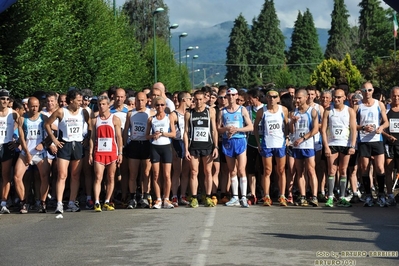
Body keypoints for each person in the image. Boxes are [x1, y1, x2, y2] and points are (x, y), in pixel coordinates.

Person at [45, 89, 91, 214]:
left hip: (78, 144)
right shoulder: (61, 111)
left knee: (75, 175)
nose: (81, 103)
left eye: (82, 100)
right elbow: (47, 124)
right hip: (64, 144)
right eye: (79, 100)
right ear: (71, 101)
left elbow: (90, 126)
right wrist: (54, 140)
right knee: (62, 175)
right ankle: (59, 204)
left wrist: (87, 139)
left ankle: (71, 202)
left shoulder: (84, 112)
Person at [354, 82, 389, 207]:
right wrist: (363, 127)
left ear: (373, 90)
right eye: (365, 90)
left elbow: (386, 122)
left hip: (377, 139)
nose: (367, 92)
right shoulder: (357, 106)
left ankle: (381, 194)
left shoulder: (379, 104)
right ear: (361, 91)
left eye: (369, 90)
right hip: (364, 140)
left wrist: (381, 128)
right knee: (364, 168)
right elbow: (353, 125)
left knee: (380, 167)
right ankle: (368, 195)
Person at [14, 97, 51, 213]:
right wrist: (27, 152)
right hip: (26, 151)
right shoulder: (22, 119)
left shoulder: (44, 118)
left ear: (39, 105)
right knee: (17, 176)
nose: (34, 109)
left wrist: (44, 144)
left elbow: (52, 134)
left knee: (45, 176)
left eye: (36, 106)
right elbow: (21, 138)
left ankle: (42, 202)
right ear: (28, 106)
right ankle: (23, 202)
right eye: (32, 106)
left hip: (40, 152)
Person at [217, 88, 253, 207]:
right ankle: (235, 197)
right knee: (232, 170)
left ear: (236, 96)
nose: (231, 97)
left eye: (233, 95)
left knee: (242, 169)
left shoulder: (242, 109)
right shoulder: (222, 111)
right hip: (228, 142)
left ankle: (243, 197)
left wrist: (237, 129)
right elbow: (218, 128)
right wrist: (227, 129)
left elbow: (250, 127)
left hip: (240, 141)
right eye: (229, 95)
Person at [321, 89, 357, 207]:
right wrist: (326, 146)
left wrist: (352, 145)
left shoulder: (350, 111)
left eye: (339, 97)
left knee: (343, 170)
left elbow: (353, 129)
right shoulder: (328, 111)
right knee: (331, 170)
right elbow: (323, 130)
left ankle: (342, 196)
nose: (337, 99)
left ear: (344, 98)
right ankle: (330, 196)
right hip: (332, 144)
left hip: (345, 144)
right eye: (335, 97)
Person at [183, 91, 219, 208]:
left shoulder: (210, 112)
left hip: (207, 146)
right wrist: (186, 149)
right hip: (194, 146)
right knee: (194, 172)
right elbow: (186, 132)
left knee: (208, 172)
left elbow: (214, 131)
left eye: (200, 99)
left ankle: (208, 196)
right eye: (196, 99)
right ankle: (194, 198)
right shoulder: (189, 113)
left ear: (204, 99)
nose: (198, 102)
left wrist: (216, 147)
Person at [254, 90, 289, 207]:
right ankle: (267, 196)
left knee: (281, 170)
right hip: (267, 144)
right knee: (267, 171)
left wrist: (287, 137)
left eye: (274, 97)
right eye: (270, 97)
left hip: (280, 144)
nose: (272, 99)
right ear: (267, 98)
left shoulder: (283, 110)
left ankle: (282, 195)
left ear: (278, 98)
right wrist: (258, 143)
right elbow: (255, 127)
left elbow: (287, 125)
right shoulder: (261, 111)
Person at [89, 95, 123, 212]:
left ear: (108, 105)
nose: (101, 106)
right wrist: (90, 153)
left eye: (104, 104)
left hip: (112, 152)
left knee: (111, 177)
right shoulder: (95, 120)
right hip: (99, 152)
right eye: (99, 104)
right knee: (98, 177)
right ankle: (97, 201)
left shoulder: (115, 119)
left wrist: (120, 153)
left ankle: (107, 201)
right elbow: (92, 138)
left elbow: (118, 137)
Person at [123, 92, 156, 209]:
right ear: (135, 101)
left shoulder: (151, 113)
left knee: (146, 173)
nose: (140, 102)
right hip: (134, 144)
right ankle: (132, 198)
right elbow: (126, 130)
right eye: (138, 100)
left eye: (142, 100)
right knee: (133, 173)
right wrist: (123, 146)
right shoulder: (130, 114)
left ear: (147, 100)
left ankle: (145, 196)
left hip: (147, 144)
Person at [145, 96, 177, 209]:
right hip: (155, 147)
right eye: (157, 105)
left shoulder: (169, 118)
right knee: (156, 175)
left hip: (166, 146)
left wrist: (163, 134)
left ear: (165, 106)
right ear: (154, 106)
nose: (160, 107)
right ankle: (158, 199)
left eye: (162, 105)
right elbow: (146, 135)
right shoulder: (151, 119)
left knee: (167, 175)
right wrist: (153, 135)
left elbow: (173, 134)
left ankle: (166, 198)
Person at [290, 89, 319, 207]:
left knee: (311, 170)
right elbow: (291, 131)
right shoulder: (294, 113)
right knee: (299, 171)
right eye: (296, 98)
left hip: (308, 145)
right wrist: (292, 122)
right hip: (297, 147)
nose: (297, 100)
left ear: (306, 97)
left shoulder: (312, 111)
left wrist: (303, 139)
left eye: (299, 98)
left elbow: (316, 129)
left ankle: (315, 196)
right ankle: (302, 196)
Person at [0, 90, 19, 214]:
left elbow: (23, 128)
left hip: (7, 146)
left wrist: (17, 142)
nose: (5, 101)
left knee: (6, 175)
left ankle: (4, 202)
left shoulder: (13, 114)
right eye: (2, 99)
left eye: (7, 99)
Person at [171, 91, 191, 207]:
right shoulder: (174, 115)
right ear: (183, 99)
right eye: (189, 99)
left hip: (188, 143)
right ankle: (174, 195)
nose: (191, 101)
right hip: (177, 142)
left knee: (186, 171)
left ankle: (183, 195)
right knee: (177, 171)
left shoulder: (189, 113)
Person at [245, 89, 265, 204]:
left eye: (250, 98)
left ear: (256, 98)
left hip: (265, 142)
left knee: (263, 170)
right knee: (251, 169)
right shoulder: (247, 109)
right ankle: (253, 194)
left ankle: (263, 192)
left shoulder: (265, 109)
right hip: (251, 142)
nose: (249, 100)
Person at [382, 86, 399, 206]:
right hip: (389, 144)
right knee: (388, 169)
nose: (396, 98)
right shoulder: (386, 109)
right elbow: (380, 127)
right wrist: (387, 136)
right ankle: (390, 194)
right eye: (394, 95)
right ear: (390, 96)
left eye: (398, 96)